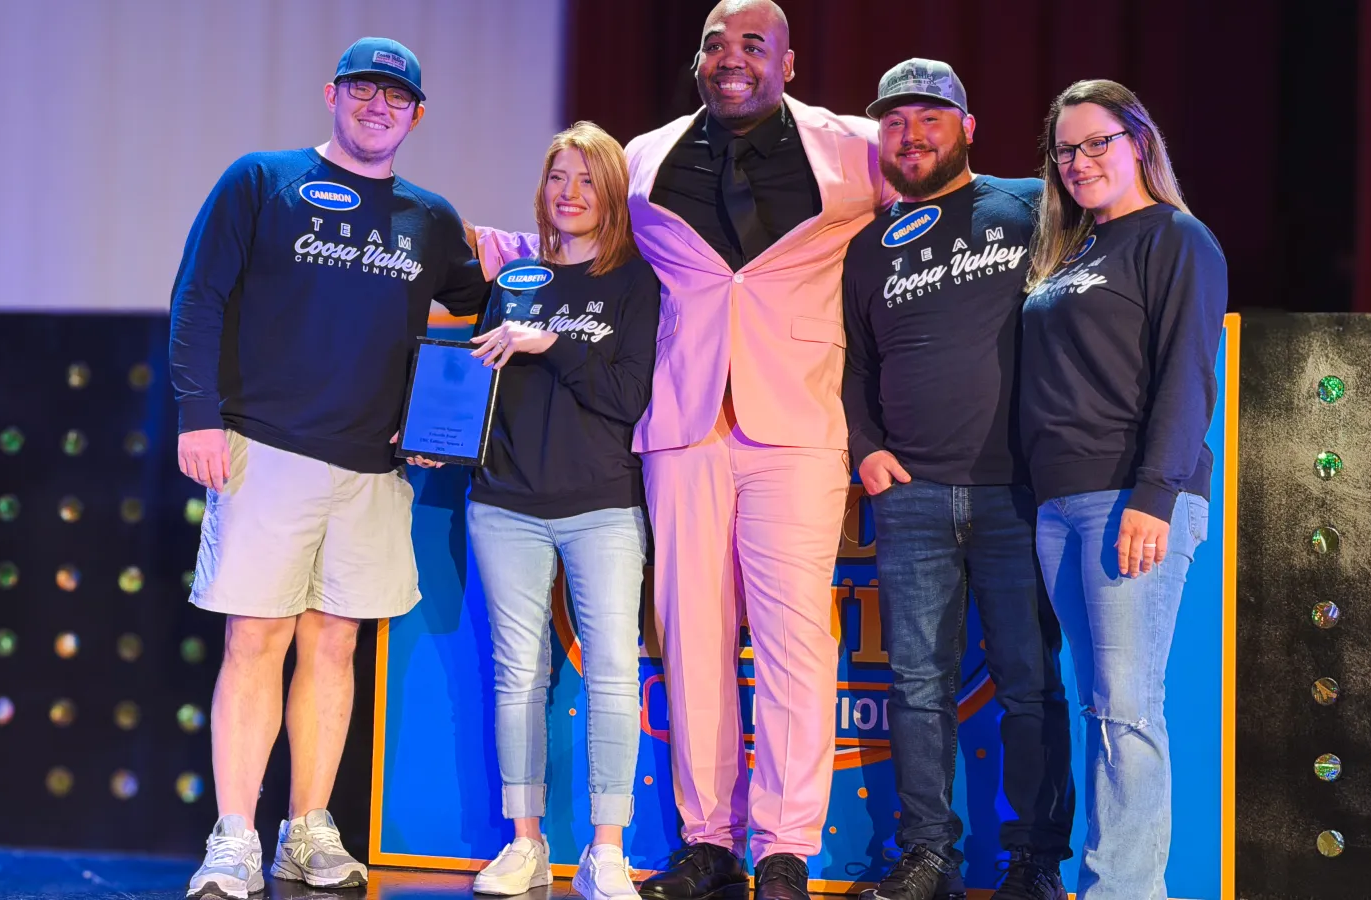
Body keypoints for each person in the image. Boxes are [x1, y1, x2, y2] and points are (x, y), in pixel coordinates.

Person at [470, 3, 894, 898]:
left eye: (752, 44)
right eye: (714, 44)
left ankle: (784, 846)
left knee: (794, 642)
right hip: (680, 423)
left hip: (798, 421)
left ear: (788, 61)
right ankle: (708, 840)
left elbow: (938, 207)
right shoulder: (646, 157)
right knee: (691, 637)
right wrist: (464, 242)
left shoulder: (855, 151)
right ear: (697, 60)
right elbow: (573, 239)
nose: (730, 58)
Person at [168, 37, 488, 900]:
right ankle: (234, 836)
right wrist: (198, 415)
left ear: (417, 115)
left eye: (396, 96)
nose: (377, 107)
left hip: (373, 468)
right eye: (362, 90)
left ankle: (306, 829)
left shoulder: (430, 219)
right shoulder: (261, 181)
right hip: (263, 448)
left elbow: (487, 309)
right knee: (254, 639)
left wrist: (443, 417)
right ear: (331, 94)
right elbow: (198, 297)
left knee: (335, 644)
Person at [842, 60, 1073, 900]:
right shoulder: (869, 247)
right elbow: (856, 367)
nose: (911, 135)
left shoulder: (1029, 206)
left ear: (968, 128)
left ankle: (1034, 862)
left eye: (929, 118)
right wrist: (865, 447)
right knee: (915, 686)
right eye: (895, 121)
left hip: (1019, 493)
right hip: (912, 498)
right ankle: (927, 857)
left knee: (1029, 683)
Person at [417, 122, 659, 900]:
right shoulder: (513, 281)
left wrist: (548, 343)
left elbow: (628, 396)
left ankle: (605, 852)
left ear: (611, 193)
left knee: (614, 671)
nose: (570, 193)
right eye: (558, 177)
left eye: (586, 179)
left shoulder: (636, 283)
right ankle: (525, 843)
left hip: (603, 505)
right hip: (506, 505)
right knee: (518, 674)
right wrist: (442, 438)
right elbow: (480, 383)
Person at [1019, 79, 1227, 900]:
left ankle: (1124, 891)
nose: (1079, 162)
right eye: (1065, 150)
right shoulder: (1069, 250)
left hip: (1129, 497)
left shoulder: (1177, 238)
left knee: (1127, 707)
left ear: (1139, 142)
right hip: (1059, 504)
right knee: (1101, 705)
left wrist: (1154, 493)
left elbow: (1188, 378)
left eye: (1096, 143)